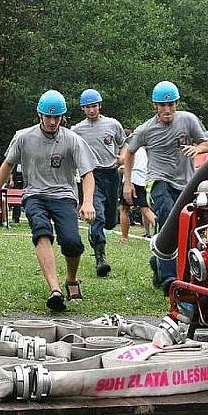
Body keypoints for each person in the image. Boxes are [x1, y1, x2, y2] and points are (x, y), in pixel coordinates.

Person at [0, 90, 96, 312]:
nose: (53, 122)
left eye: (57, 118)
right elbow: (7, 165)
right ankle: (55, 290)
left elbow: (87, 174)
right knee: (42, 230)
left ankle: (71, 279)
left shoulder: (72, 139)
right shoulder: (23, 137)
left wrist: (88, 202)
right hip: (35, 194)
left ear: (63, 117)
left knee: (72, 242)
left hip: (64, 195)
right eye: (48, 117)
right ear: (39, 115)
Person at [121, 81, 208, 294]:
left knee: (184, 225)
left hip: (186, 183)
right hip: (159, 180)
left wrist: (198, 149)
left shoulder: (188, 120)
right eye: (162, 105)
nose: (167, 109)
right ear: (155, 106)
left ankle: (158, 261)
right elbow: (129, 151)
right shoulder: (146, 129)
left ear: (177, 104)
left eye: (171, 104)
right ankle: (170, 278)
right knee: (169, 216)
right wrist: (127, 182)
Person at [71, 88, 125, 277]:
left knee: (110, 221)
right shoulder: (77, 130)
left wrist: (122, 158)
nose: (91, 110)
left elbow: (124, 144)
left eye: (94, 106)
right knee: (98, 215)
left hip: (112, 174)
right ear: (83, 109)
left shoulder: (113, 124)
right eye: (87, 107)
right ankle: (100, 258)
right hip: (92, 175)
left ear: (99, 106)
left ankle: (95, 235)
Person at [119, 139, 155, 244]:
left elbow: (125, 164)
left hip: (132, 179)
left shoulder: (131, 150)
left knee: (124, 209)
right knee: (145, 208)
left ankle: (124, 238)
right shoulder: (145, 151)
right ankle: (159, 229)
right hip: (143, 179)